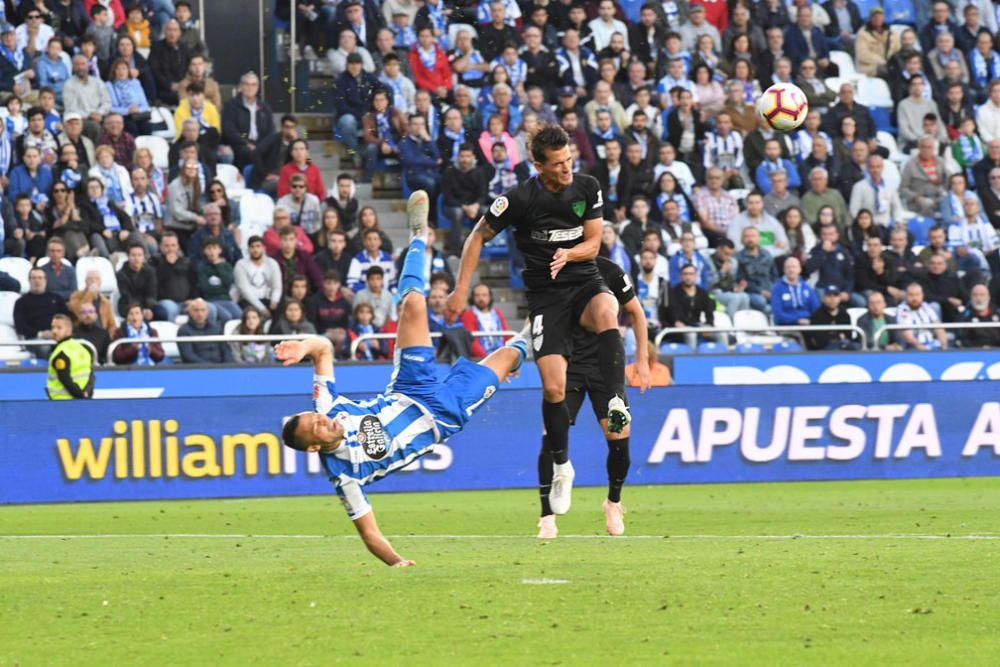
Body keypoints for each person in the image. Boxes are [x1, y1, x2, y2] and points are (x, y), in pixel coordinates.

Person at [278, 191, 530, 566]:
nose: (322, 418)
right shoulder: (344, 476)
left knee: (413, 304)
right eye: (316, 426)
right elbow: (369, 533)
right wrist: (397, 562)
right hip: (441, 416)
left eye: (315, 415)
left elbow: (324, 351)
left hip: (409, 386)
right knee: (511, 355)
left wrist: (304, 346)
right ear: (314, 447)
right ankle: (540, 325)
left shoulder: (327, 404)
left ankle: (417, 237)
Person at [446, 125, 630, 516]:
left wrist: (571, 255)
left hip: (584, 281)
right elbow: (477, 237)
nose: (567, 169)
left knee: (607, 312)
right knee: (553, 389)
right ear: (538, 165)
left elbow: (595, 242)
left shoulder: (587, 186)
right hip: (547, 299)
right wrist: (462, 290)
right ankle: (562, 465)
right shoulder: (518, 199)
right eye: (559, 164)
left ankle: (615, 398)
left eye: (569, 160)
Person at [46, 314, 95, 398]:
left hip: (63, 402)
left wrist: (80, 396)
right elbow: (91, 376)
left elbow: (66, 380)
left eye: (59, 328)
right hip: (84, 399)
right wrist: (86, 393)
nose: (54, 331)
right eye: (52, 327)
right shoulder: (83, 348)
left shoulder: (61, 353)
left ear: (69, 331)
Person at [234, 235, 282, 321]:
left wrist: (274, 301)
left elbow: (277, 286)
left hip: (268, 299)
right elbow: (245, 291)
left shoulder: (272, 263)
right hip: (248, 301)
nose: (255, 250)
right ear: (248, 249)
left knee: (281, 308)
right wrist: (262, 309)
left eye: (258, 246)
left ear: (263, 248)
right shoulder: (241, 265)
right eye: (252, 247)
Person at [177, 297, 233, 364]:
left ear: (207, 311)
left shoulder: (217, 328)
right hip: (198, 370)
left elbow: (226, 351)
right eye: (196, 310)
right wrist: (210, 367)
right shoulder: (183, 331)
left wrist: (228, 366)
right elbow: (188, 356)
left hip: (221, 368)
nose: (200, 314)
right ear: (190, 312)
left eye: (203, 310)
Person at [736, 227, 778, 313]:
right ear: (742, 240)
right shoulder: (738, 258)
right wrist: (760, 291)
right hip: (752, 292)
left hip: (770, 289)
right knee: (761, 302)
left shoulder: (767, 255)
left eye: (753, 236)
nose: (750, 239)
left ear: (759, 238)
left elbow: (774, 275)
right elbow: (741, 280)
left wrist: (773, 290)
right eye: (746, 236)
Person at [896, 282, 948, 350]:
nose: (914, 298)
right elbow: (908, 336)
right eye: (911, 295)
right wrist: (923, 349)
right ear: (906, 296)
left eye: (917, 295)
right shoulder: (903, 310)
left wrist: (944, 346)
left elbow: (939, 328)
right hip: (914, 348)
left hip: (932, 344)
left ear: (922, 295)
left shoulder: (926, 307)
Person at [772, 255, 820, 325]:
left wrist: (811, 321)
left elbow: (816, 310)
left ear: (799, 269)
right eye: (788, 267)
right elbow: (778, 314)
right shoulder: (777, 289)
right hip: (787, 327)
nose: (791, 270)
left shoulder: (807, 288)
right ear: (784, 270)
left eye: (794, 267)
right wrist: (797, 320)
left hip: (808, 325)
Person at [807, 286, 857, 350]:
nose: (832, 299)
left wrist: (832, 336)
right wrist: (839, 336)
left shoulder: (844, 314)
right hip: (824, 350)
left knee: (855, 347)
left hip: (844, 346)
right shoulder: (817, 315)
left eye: (835, 295)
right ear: (823, 298)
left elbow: (848, 336)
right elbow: (819, 340)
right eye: (829, 295)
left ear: (839, 298)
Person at [68, 268, 116, 333]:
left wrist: (109, 336)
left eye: (97, 279)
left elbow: (112, 325)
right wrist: (90, 294)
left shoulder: (106, 302)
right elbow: (79, 312)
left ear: (100, 282)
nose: (93, 281)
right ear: (85, 282)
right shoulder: (76, 296)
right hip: (82, 333)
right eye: (90, 279)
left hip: (101, 335)